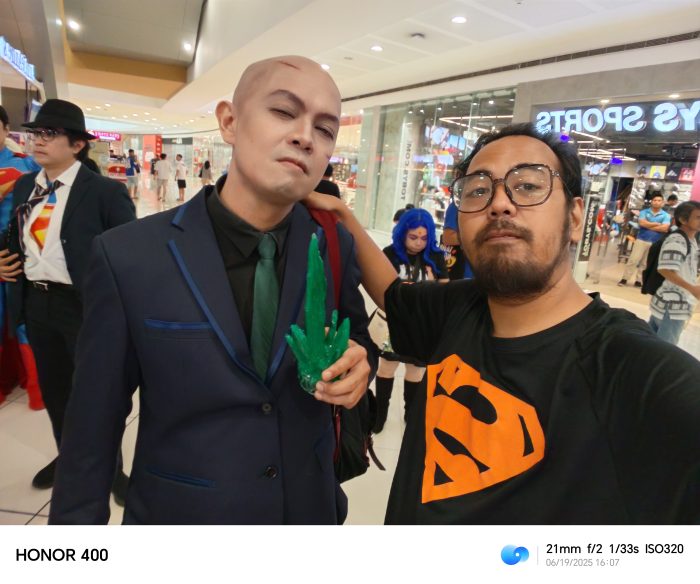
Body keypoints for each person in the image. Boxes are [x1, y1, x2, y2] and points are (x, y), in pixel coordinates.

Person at [305, 122, 700, 524]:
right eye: (478, 191)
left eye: (527, 186)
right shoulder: (460, 308)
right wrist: (340, 213)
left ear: (575, 216)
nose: (499, 204)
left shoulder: (635, 371)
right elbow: (392, 294)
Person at [48, 55, 376, 525]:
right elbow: (92, 427)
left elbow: (357, 338)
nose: (306, 136)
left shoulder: (332, 244)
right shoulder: (130, 256)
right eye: (284, 111)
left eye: (325, 129)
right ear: (229, 121)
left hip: (308, 510)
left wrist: (360, 365)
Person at [0, 99, 136, 500]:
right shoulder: (25, 186)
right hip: (37, 305)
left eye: (50, 134)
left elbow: (130, 255)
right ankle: (69, 457)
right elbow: (16, 237)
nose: (38, 141)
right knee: (56, 392)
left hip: (85, 309)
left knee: (98, 395)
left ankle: (111, 469)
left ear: (77, 144)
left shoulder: (104, 193)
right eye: (35, 133)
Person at [373, 208, 447, 433]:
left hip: (422, 325)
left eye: (424, 238)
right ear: (402, 233)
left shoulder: (435, 256)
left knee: (415, 372)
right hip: (394, 322)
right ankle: (379, 416)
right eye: (413, 237)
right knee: (386, 368)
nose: (418, 243)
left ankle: (411, 415)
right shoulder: (390, 254)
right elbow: (378, 288)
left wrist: (433, 283)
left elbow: (446, 292)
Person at [0, 105, 43, 410]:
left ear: (6, 130)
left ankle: (37, 391)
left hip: (23, 254)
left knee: (26, 320)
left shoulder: (26, 164)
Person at [648, 201, 700, 345]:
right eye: (698, 217)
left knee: (651, 343)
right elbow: (664, 269)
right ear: (683, 219)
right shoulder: (677, 240)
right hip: (673, 306)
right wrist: (692, 288)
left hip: (672, 303)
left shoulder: (691, 239)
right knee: (665, 348)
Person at [618, 194, 670, 287]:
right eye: (655, 200)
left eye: (659, 200)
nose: (656, 202)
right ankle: (624, 279)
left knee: (645, 263)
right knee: (633, 260)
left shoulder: (666, 215)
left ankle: (639, 281)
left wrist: (648, 225)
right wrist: (657, 224)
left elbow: (665, 228)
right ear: (651, 202)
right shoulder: (644, 212)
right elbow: (642, 223)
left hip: (655, 242)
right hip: (641, 239)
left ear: (662, 203)